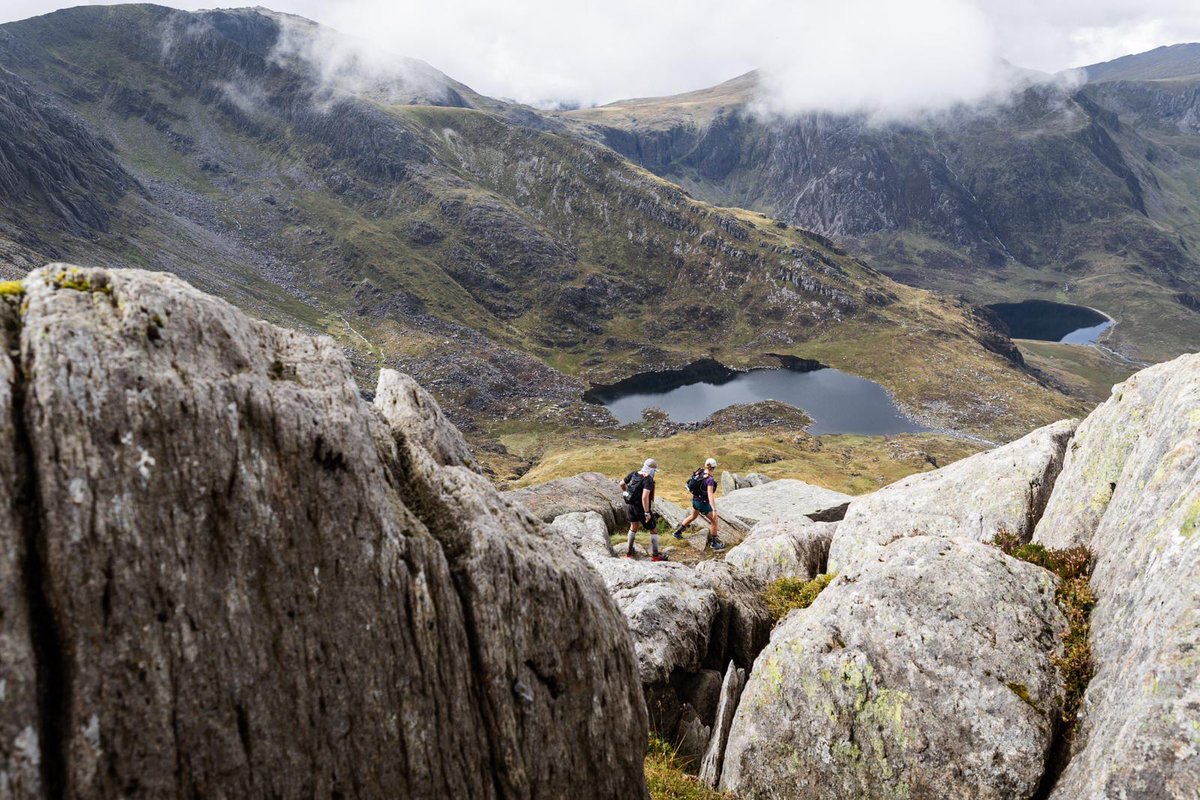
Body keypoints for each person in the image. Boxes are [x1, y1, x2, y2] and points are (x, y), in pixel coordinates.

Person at [670, 457, 725, 551]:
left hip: (695, 501)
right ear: (714, 468)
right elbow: (710, 495)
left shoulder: (700, 473)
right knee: (715, 520)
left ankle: (677, 532)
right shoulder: (710, 480)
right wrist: (714, 509)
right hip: (703, 503)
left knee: (693, 516)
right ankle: (714, 543)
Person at [620, 458, 666, 561]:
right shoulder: (648, 479)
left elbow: (621, 484)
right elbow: (645, 497)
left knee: (633, 526)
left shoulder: (634, 473)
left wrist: (626, 493)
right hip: (641, 508)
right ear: (652, 470)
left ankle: (629, 553)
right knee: (653, 530)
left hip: (631, 506)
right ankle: (655, 556)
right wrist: (647, 512)